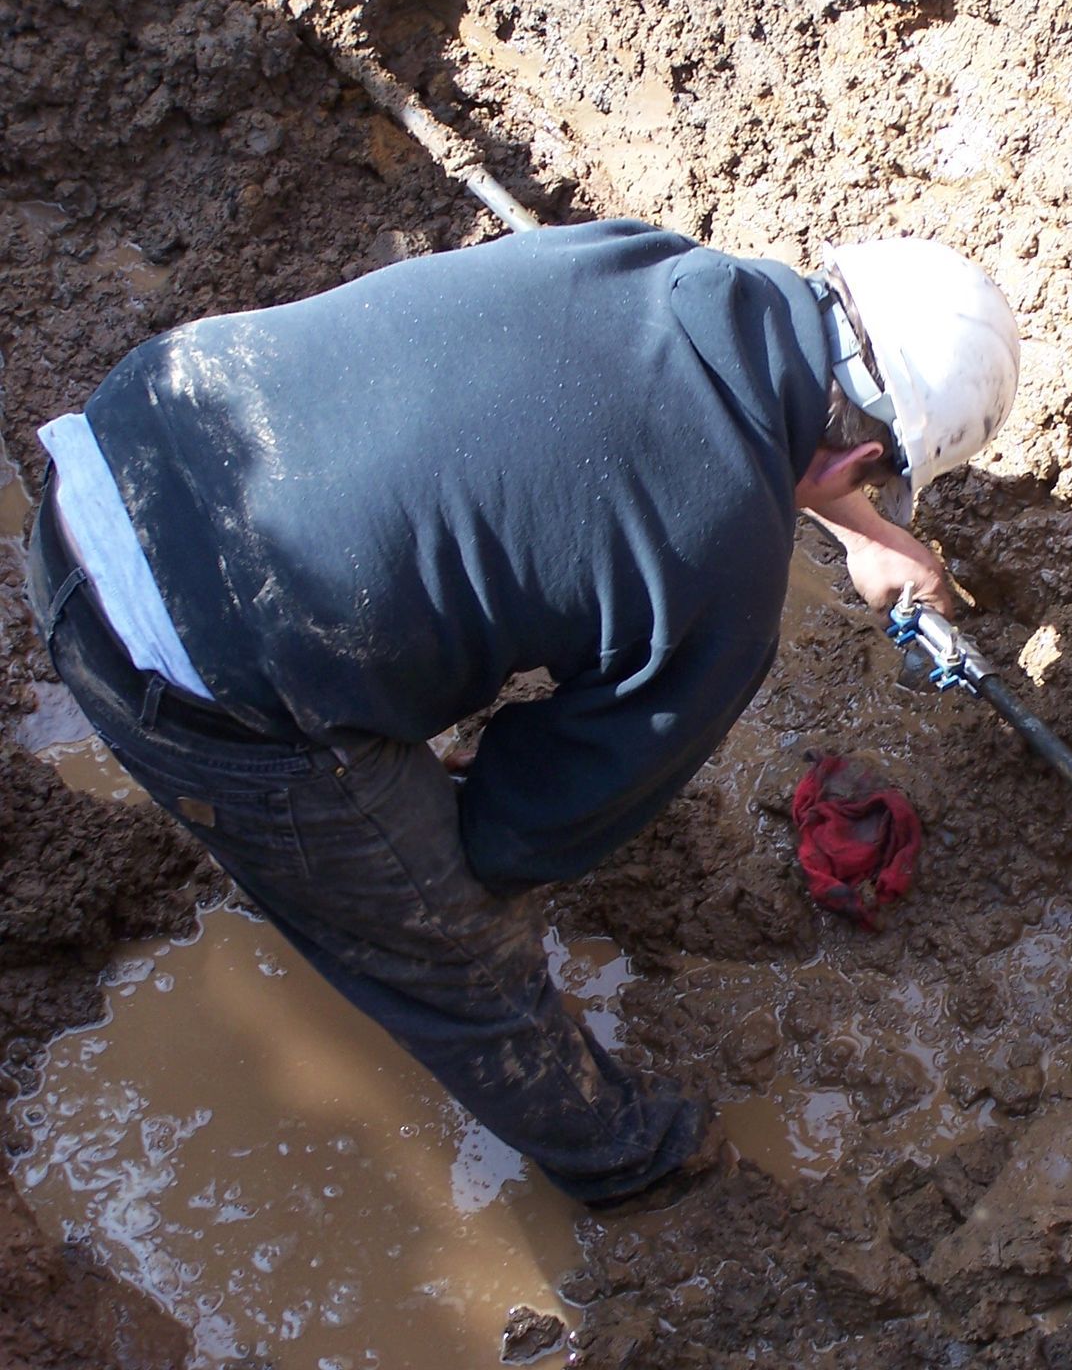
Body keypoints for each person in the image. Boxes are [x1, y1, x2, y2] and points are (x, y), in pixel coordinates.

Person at [23, 219, 1020, 1207]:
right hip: (183, 667)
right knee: (455, 937)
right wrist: (439, 824)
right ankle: (636, 1169)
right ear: (859, 463)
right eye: (882, 478)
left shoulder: (646, 261)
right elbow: (521, 832)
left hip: (124, 447)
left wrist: (866, 529)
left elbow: (723, 418)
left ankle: (333, 826)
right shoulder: (726, 590)